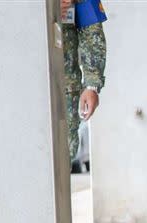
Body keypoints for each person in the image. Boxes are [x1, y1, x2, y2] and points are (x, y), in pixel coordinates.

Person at [61, 0, 107, 160]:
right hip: (14, 84)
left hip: (64, 87)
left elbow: (91, 29)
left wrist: (92, 85)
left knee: (62, 157)